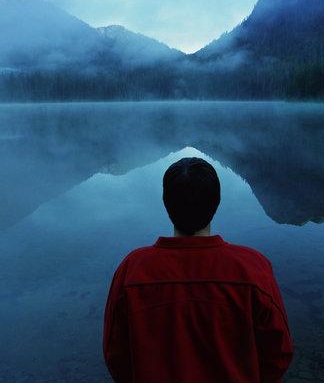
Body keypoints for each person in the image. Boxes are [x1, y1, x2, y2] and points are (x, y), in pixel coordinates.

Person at [103, 157, 293, 382]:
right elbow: (279, 353)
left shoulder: (132, 270)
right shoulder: (252, 268)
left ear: (166, 203)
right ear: (217, 202)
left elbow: (115, 355)